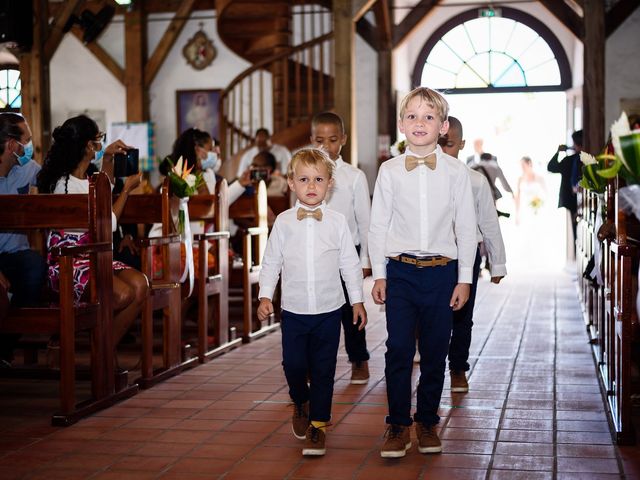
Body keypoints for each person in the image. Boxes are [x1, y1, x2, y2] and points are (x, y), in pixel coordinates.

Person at [369, 87, 476, 458]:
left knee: (434, 351)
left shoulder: (457, 172)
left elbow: (465, 228)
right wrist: (379, 274)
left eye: (428, 117)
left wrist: (464, 279)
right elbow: (377, 225)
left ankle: (427, 419)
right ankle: (397, 423)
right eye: (412, 116)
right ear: (401, 124)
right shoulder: (389, 170)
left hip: (441, 274)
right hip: (400, 272)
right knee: (398, 348)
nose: (419, 123)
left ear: (443, 127)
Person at [257, 148, 366, 457]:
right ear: (291, 183)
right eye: (304, 179)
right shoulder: (283, 222)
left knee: (323, 369)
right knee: (293, 365)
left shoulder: (338, 222)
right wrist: (265, 294)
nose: (311, 186)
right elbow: (271, 262)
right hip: (293, 310)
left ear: (330, 183)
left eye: (318, 179)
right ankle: (300, 400)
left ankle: (318, 425)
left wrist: (356, 301)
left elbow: (349, 264)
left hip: (330, 309)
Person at [36, 115, 148, 348]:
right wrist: (126, 191)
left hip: (92, 256)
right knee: (122, 295)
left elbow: (102, 195)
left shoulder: (86, 180)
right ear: (88, 145)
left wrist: (107, 157)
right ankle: (102, 355)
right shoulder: (63, 185)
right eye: (98, 140)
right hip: (69, 263)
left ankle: (103, 352)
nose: (99, 144)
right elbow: (105, 224)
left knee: (140, 285)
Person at [439, 116, 507, 392]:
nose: (444, 151)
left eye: (450, 145)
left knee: (462, 315)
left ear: (462, 145)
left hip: (467, 256)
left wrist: (497, 262)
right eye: (439, 144)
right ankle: (431, 361)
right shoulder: (423, 178)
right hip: (435, 257)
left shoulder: (475, 181)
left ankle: (457, 367)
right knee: (434, 314)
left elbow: (489, 223)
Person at [310, 111, 372, 384]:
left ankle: (359, 358)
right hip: (316, 253)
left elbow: (366, 221)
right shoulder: (305, 174)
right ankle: (316, 364)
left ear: (343, 140)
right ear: (312, 140)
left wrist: (367, 258)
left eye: (333, 139)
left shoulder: (354, 177)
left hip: (348, 252)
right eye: (320, 140)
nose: (326, 146)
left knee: (351, 310)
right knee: (318, 310)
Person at [0, 113, 48, 365]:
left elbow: (53, 188)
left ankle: (5, 346)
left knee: (34, 267)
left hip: (17, 255)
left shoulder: (30, 169)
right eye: (26, 141)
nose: (30, 147)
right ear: (11, 145)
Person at [547, 129, 582, 242]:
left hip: (576, 198)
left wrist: (558, 152)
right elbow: (551, 167)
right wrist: (558, 152)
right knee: (576, 228)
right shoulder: (569, 160)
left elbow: (551, 167)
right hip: (571, 199)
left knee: (577, 229)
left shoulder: (581, 159)